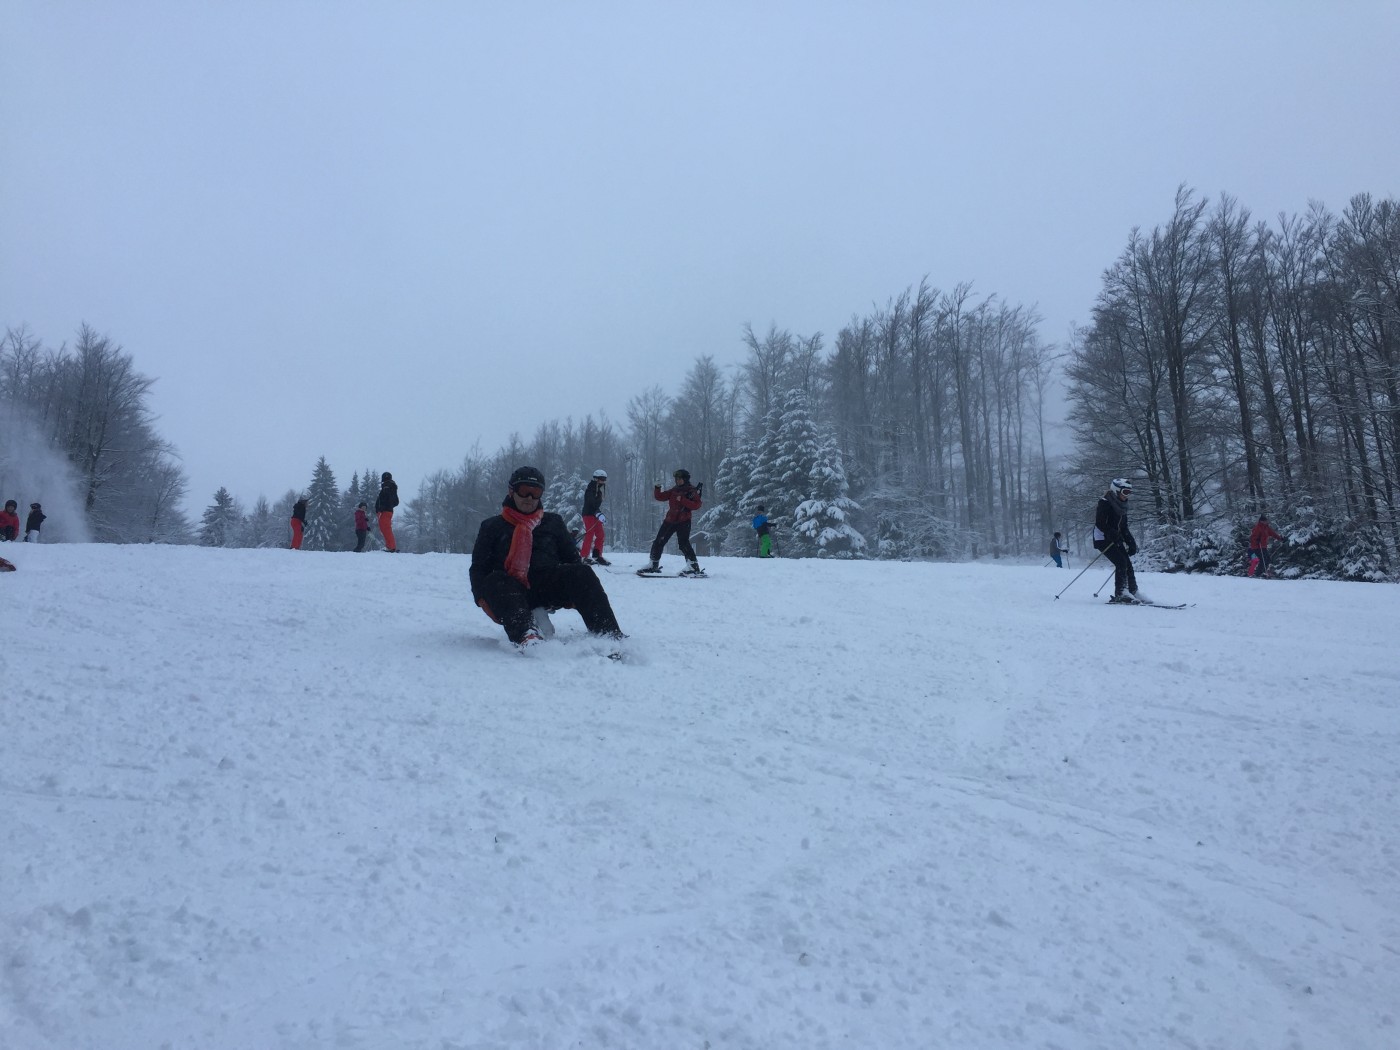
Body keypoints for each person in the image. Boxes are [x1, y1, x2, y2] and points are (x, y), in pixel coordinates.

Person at [470, 465, 625, 648]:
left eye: (535, 492)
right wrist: (481, 599)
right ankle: (527, 636)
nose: (529, 498)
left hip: (546, 586)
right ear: (512, 492)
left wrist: (575, 590)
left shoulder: (552, 522)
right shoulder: (492, 526)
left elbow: (572, 560)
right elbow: (479, 569)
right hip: (510, 592)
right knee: (495, 579)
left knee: (582, 572)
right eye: (524, 491)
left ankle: (608, 635)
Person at [639, 469, 704, 576]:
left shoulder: (691, 490)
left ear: (685, 479)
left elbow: (697, 505)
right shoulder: (674, 490)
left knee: (683, 544)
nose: (677, 481)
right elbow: (660, 497)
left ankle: (693, 567)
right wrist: (657, 487)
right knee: (658, 541)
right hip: (670, 520)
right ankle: (653, 564)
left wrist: (682, 499)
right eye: (676, 479)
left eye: (679, 479)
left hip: (684, 521)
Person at [1093, 478, 1147, 603]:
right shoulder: (1104, 502)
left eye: (1129, 492)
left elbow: (1123, 527)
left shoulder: (1122, 506)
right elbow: (1100, 523)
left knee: (1127, 563)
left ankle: (1133, 591)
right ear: (1116, 490)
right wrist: (1111, 533)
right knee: (1121, 562)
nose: (1127, 495)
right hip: (1102, 538)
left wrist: (1131, 542)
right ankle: (1121, 593)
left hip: (1115, 538)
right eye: (1125, 492)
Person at [579, 469, 610, 565]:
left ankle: (597, 556)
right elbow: (590, 503)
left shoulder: (598, 491)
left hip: (595, 514)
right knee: (590, 534)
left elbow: (596, 505)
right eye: (602, 479)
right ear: (596, 478)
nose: (603, 481)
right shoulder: (590, 489)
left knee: (600, 535)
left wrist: (599, 513)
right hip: (588, 514)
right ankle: (584, 556)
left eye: (604, 479)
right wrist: (597, 512)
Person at [376, 472, 399, 552]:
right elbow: (395, 501)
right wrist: (389, 505)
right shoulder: (392, 486)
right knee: (384, 528)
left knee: (385, 528)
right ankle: (389, 546)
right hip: (388, 510)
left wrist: (382, 507)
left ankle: (391, 546)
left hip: (385, 510)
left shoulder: (387, 485)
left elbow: (385, 497)